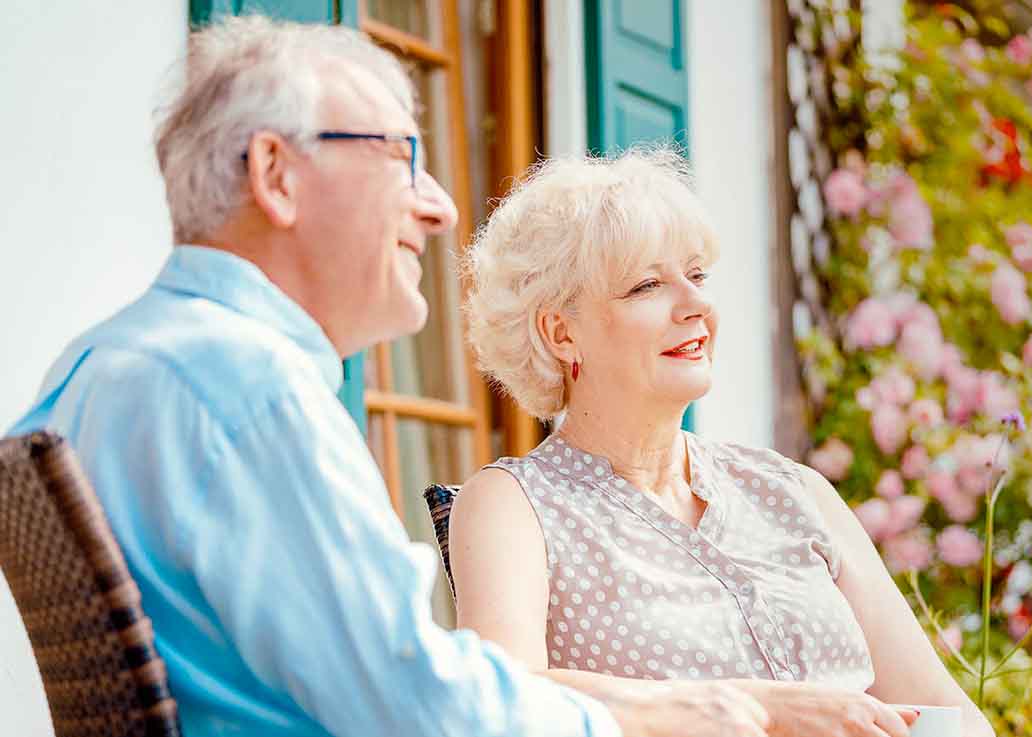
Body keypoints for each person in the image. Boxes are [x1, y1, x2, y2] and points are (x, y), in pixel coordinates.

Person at [8, 15, 771, 737]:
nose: (440, 208)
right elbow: (424, 712)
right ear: (276, 174)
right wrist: (664, 715)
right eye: (403, 155)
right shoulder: (247, 389)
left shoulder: (93, 369)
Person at [452, 147, 987, 737]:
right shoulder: (515, 503)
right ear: (561, 333)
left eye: (698, 275)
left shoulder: (791, 489)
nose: (698, 305)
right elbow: (499, 692)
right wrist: (759, 708)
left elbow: (949, 715)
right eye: (648, 285)